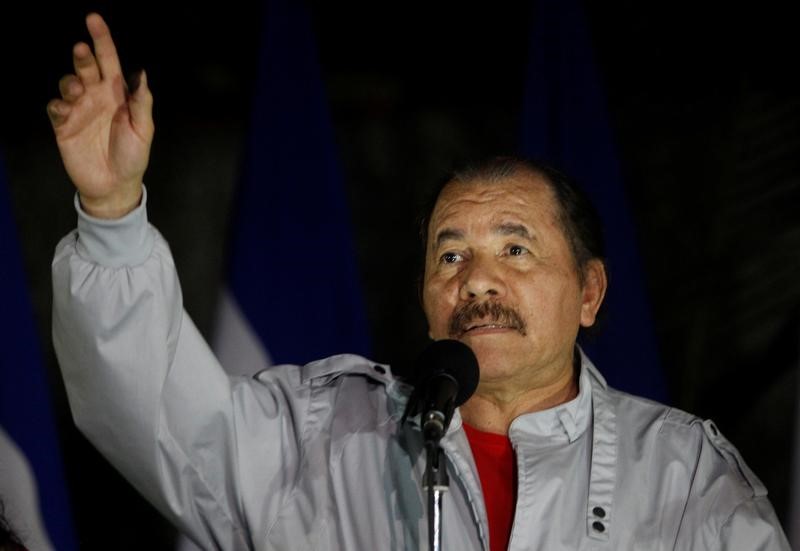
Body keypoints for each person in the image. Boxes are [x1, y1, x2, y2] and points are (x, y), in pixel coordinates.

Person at [48, 13, 790, 551]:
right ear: (426, 297)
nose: (477, 281)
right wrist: (112, 214)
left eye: (517, 249)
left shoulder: (683, 477)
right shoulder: (325, 439)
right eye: (450, 255)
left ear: (589, 292)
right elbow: (157, 418)